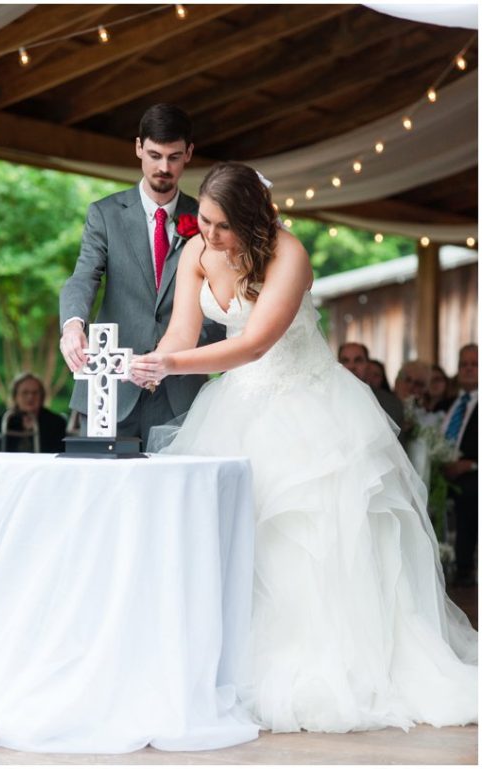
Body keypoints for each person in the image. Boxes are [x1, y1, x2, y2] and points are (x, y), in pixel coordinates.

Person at [131, 162, 477, 733]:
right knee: (238, 540)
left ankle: (328, 669)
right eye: (205, 222)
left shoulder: (289, 255)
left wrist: (172, 365)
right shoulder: (196, 252)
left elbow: (255, 344)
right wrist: (156, 361)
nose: (208, 235)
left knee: (311, 543)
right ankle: (235, 670)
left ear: (248, 219)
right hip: (235, 410)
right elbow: (182, 336)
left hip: (309, 410)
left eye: (220, 225)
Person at [59, 103, 224, 447]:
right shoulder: (104, 214)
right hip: (111, 387)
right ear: (138, 148)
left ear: (189, 153)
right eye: (154, 155)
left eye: (174, 157)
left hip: (182, 390)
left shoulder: (207, 219)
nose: (164, 167)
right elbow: (85, 275)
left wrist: (184, 352)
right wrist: (73, 325)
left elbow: (220, 294)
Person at [441, 343, 478, 586]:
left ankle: (464, 566)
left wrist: (471, 464)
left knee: (469, 490)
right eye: (463, 364)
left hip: (472, 474)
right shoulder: (449, 404)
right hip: (440, 472)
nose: (468, 369)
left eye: (474, 364)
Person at [338, 341, 404, 430]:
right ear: (337, 365)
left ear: (368, 365)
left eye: (358, 360)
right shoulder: (325, 399)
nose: (352, 366)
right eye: (345, 361)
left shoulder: (390, 403)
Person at [0, 373, 67, 453]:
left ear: (42, 396)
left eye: (35, 393)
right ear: (15, 396)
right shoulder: (5, 420)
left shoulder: (56, 422)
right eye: (25, 393)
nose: (30, 397)